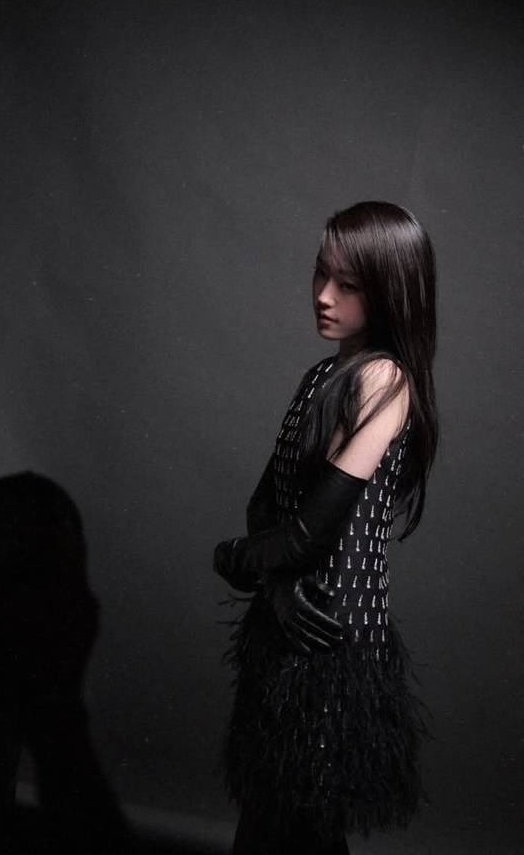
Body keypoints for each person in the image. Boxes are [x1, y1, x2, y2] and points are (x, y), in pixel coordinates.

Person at [213, 201, 437, 855]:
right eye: (320, 273)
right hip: (289, 627)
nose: (322, 295)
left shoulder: (384, 379)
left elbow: (309, 534)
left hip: (333, 641)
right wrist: (276, 589)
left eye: (348, 284)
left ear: (390, 291)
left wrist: (232, 558)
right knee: (274, 822)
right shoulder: (320, 376)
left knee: (300, 826)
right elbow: (267, 505)